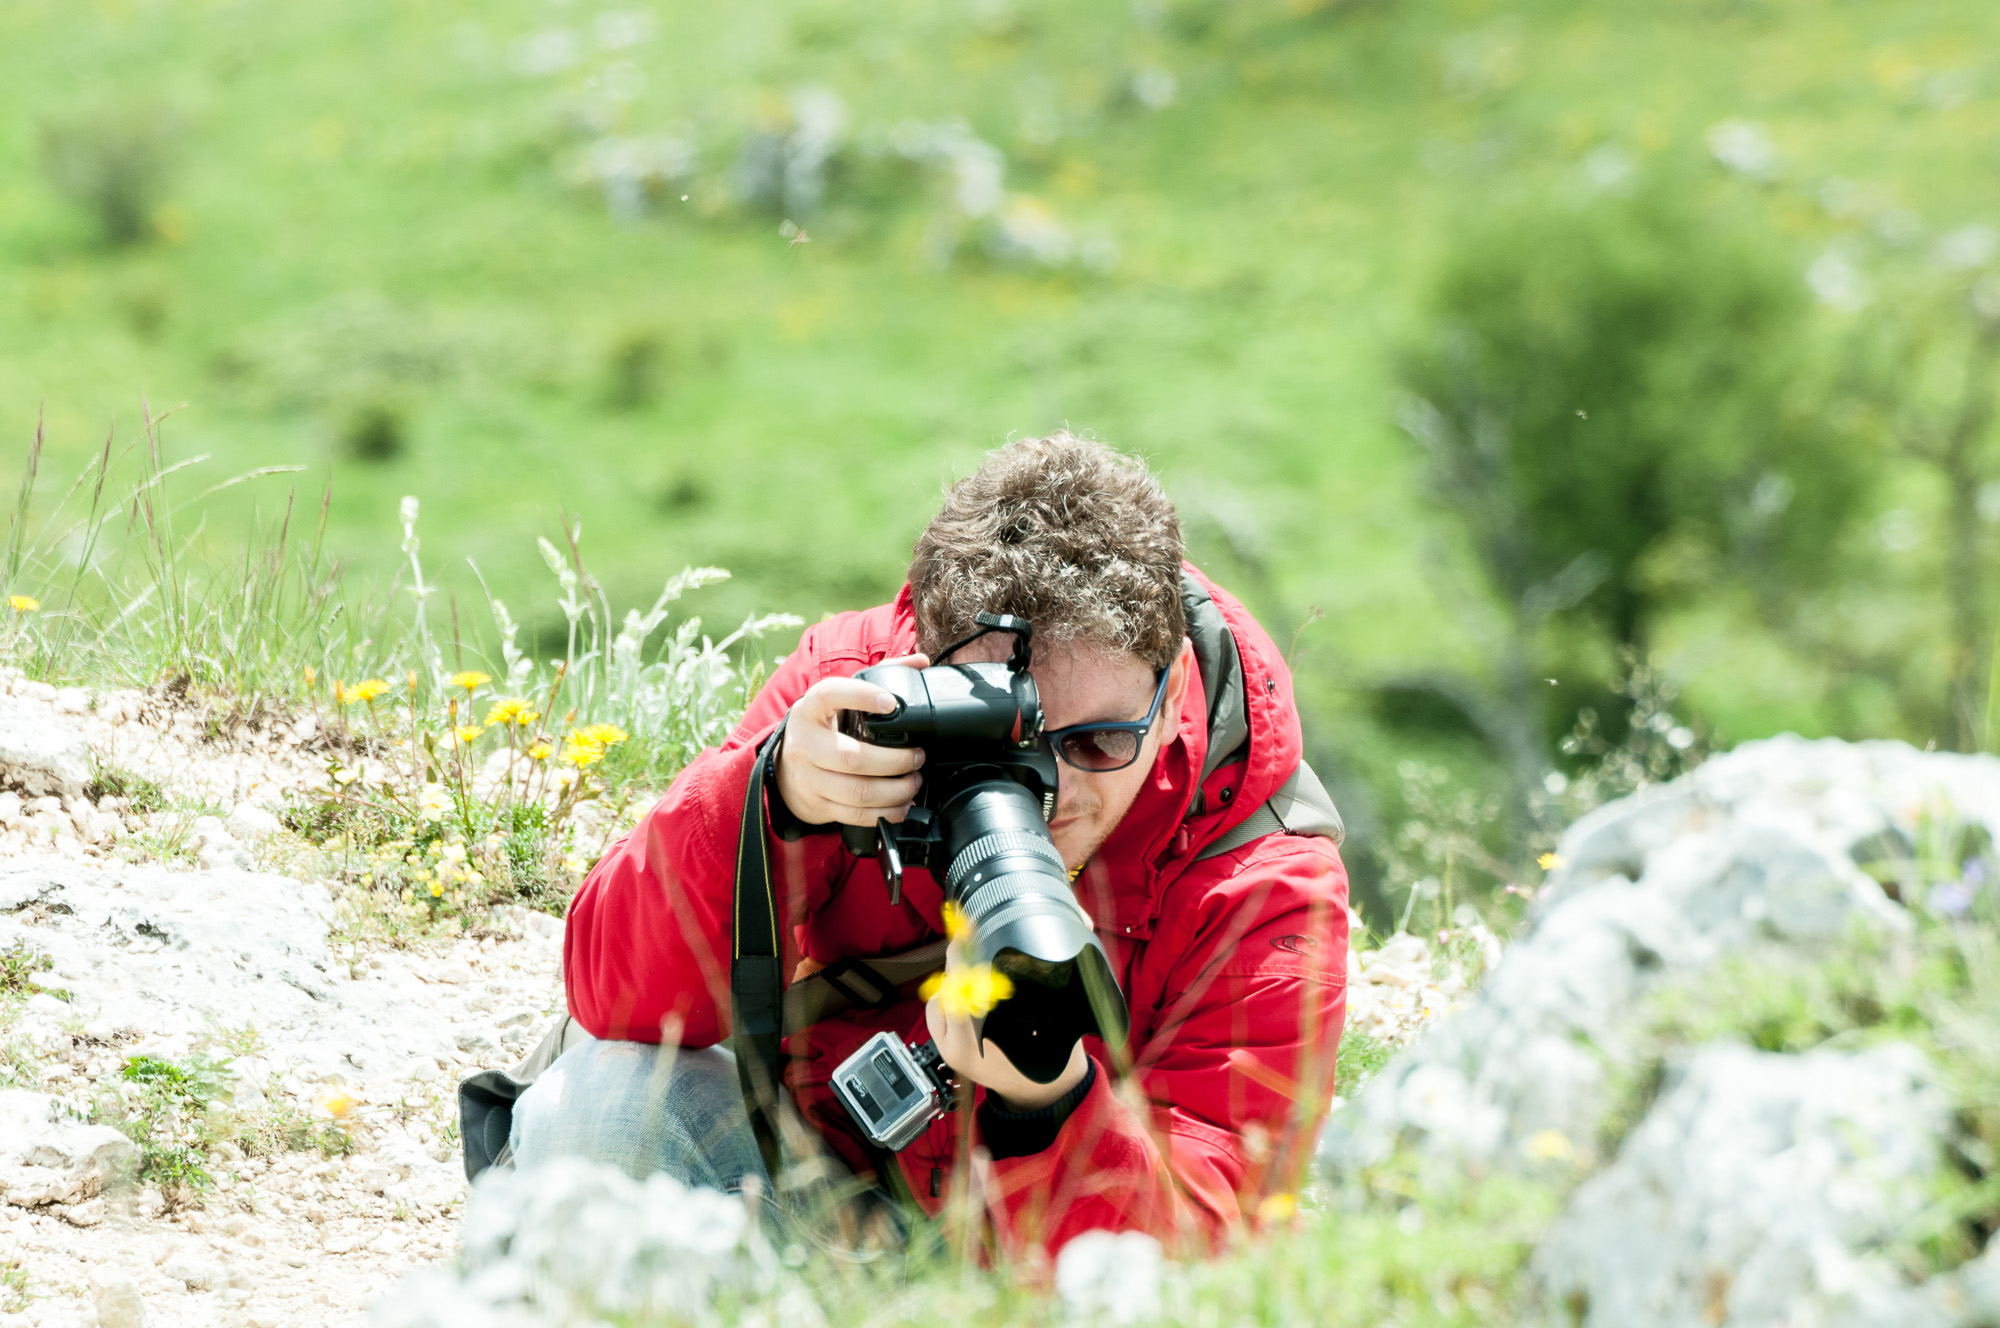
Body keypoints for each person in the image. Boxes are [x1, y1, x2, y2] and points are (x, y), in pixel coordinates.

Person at [509, 432, 1350, 1262]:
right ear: (920, 662)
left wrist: (1051, 1108)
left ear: (1170, 701)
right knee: (595, 1108)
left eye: (1096, 743)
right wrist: (765, 804)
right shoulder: (853, 703)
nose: (1052, 789)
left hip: (1026, 1286)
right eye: (1001, 741)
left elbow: (1207, 1262)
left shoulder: (1263, 876)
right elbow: (616, 1003)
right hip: (811, 1193)